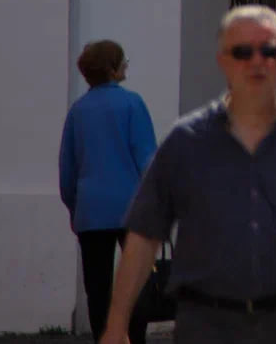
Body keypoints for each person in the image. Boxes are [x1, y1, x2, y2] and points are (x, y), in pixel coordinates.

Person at [99, 5, 276, 344]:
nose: (257, 61)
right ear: (223, 61)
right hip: (206, 325)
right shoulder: (186, 142)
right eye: (242, 52)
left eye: (268, 50)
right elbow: (142, 237)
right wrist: (116, 325)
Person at [59, 40, 156, 344]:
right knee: (136, 283)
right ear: (113, 68)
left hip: (91, 209)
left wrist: (74, 208)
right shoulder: (133, 104)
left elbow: (68, 169)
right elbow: (148, 161)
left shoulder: (78, 111)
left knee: (98, 287)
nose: (126, 64)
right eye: (122, 60)